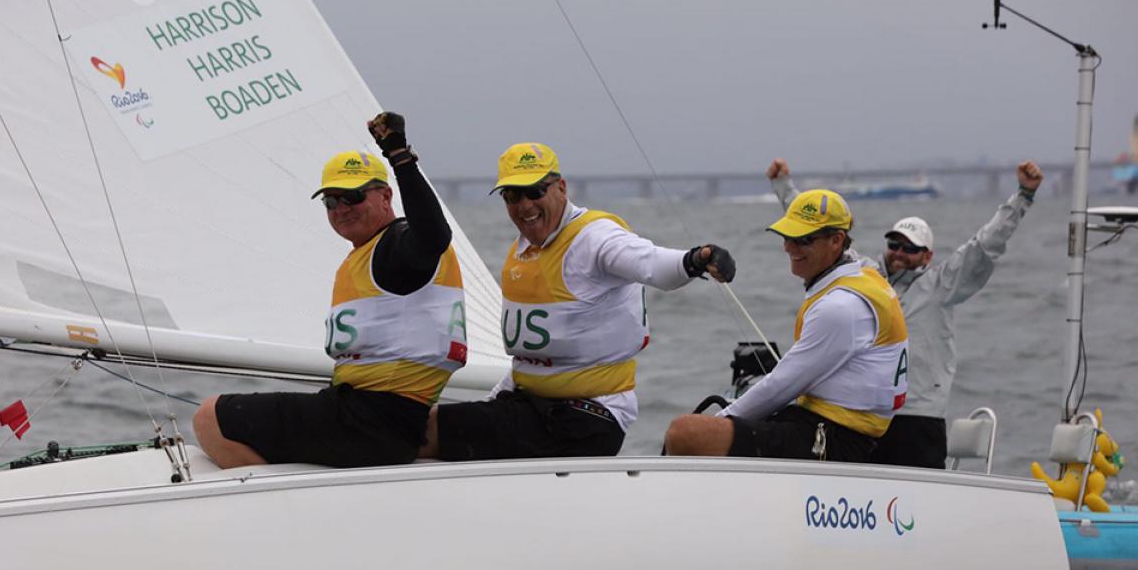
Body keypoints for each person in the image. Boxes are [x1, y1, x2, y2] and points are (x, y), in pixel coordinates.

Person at [418, 142, 736, 460]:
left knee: (422, 434)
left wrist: (696, 259)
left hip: (586, 417)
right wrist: (493, 398)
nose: (524, 205)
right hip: (532, 407)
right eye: (512, 196)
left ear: (561, 188)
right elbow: (528, 363)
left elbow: (653, 265)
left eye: (534, 191)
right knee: (420, 424)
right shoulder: (524, 249)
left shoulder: (594, 238)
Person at [192, 112, 467, 468]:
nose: (341, 209)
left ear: (386, 196)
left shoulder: (399, 247)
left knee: (210, 417)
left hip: (372, 422)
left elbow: (433, 235)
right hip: (377, 420)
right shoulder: (365, 253)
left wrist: (399, 155)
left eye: (351, 197)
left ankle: (280, 511)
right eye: (330, 202)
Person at [764, 158, 1044, 468]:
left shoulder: (943, 284)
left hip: (919, 418)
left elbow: (986, 245)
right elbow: (818, 232)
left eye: (910, 248)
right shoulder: (863, 275)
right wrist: (783, 186)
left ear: (928, 255)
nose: (899, 252)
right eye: (894, 244)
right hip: (864, 417)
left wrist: (1023, 196)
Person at [663, 189, 908, 462]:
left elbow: (781, 386)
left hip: (839, 439)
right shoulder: (864, 271)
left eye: (803, 240)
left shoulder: (840, 307)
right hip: (828, 423)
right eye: (788, 236)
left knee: (685, 433)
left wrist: (717, 422)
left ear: (836, 241)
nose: (789, 248)